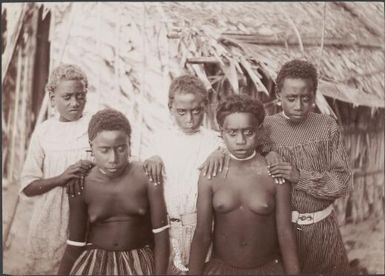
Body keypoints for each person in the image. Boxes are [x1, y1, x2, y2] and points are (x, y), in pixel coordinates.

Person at [188, 94, 300, 275]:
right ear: (221, 132)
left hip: (267, 270)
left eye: (248, 132)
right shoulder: (211, 174)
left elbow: (285, 233)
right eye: (232, 133)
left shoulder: (274, 173)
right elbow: (202, 234)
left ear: (260, 130)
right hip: (221, 270)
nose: (240, 141)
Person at [265, 59, 352, 274]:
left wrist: (299, 176)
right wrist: (267, 151)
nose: (298, 106)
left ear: (314, 95)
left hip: (324, 231)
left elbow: (342, 183)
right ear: (278, 96)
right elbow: (236, 149)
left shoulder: (327, 126)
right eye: (291, 98)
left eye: (306, 98)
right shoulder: (265, 127)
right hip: (280, 233)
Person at [58, 108, 169, 275]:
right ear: (91, 147)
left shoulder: (147, 177)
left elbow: (161, 239)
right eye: (104, 150)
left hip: (138, 263)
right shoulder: (81, 183)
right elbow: (75, 242)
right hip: (96, 263)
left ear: (129, 144)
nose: (113, 159)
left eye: (121, 149)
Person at [143, 75, 225, 274]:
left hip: (204, 229)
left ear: (205, 106)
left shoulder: (216, 141)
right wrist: (150, 159)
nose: (189, 119)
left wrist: (221, 152)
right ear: (170, 107)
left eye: (196, 111)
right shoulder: (157, 141)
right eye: (182, 112)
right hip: (167, 230)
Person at [20, 64, 94, 274]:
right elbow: (28, 186)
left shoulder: (95, 126)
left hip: (87, 218)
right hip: (50, 219)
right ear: (53, 99)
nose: (74, 103)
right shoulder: (44, 133)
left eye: (80, 96)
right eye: (67, 97)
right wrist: (60, 178)